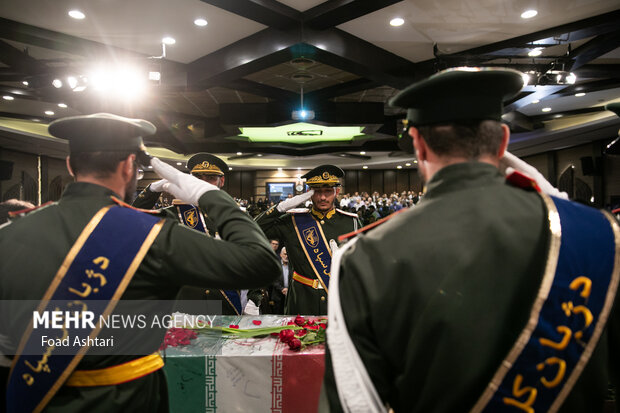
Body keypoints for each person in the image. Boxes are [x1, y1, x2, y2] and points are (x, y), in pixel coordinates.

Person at [323, 68, 620, 413]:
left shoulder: (367, 255)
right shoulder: (597, 233)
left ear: (418, 143)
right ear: (504, 140)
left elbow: (352, 403)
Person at [0, 113, 279, 413]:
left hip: (31, 398)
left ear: (70, 165)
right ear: (128, 165)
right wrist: (207, 194)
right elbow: (262, 262)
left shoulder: (11, 232)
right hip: (125, 401)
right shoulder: (153, 236)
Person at [133, 153, 245, 316]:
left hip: (224, 299)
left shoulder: (235, 214)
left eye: (210, 178)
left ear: (221, 181)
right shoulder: (173, 214)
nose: (203, 182)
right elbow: (135, 218)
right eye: (198, 177)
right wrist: (153, 190)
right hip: (187, 302)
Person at [256, 165, 361, 315]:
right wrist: (280, 208)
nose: (323, 197)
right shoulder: (292, 221)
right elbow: (253, 229)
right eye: (317, 191)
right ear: (308, 193)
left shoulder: (351, 223)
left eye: (328, 191)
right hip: (302, 300)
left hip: (337, 301)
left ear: (336, 192)